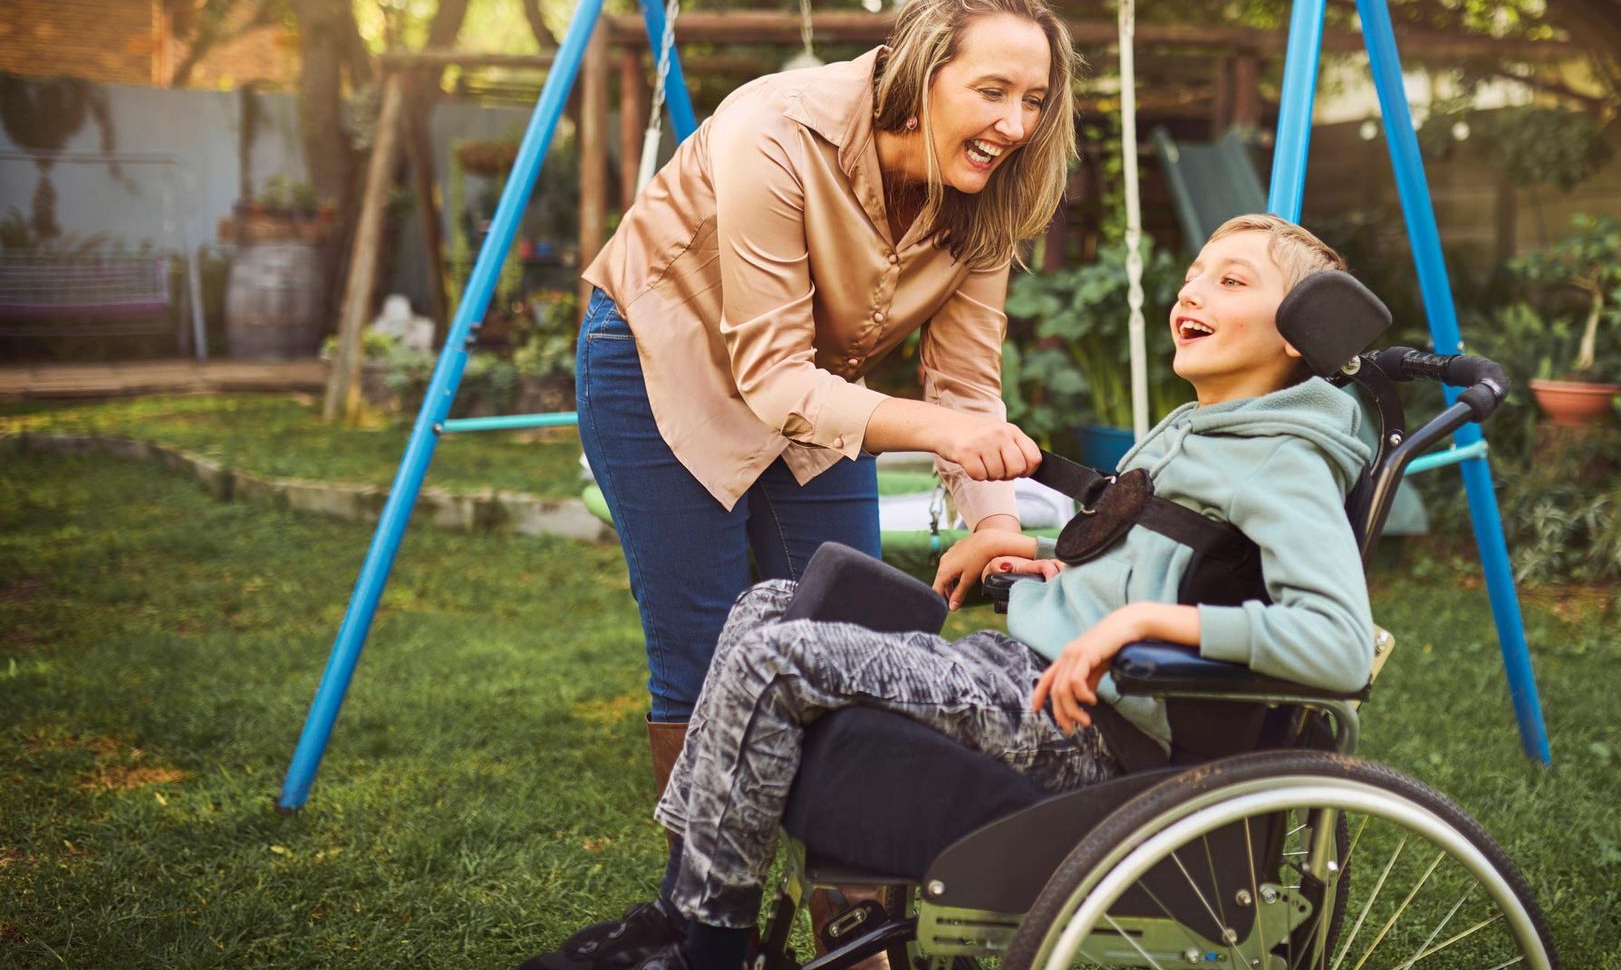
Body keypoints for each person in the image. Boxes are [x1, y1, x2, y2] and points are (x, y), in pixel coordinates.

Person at [520, 214, 1378, 970]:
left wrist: (1139, 620)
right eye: (1193, 275)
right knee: (768, 603)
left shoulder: (1287, 456)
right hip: (1030, 668)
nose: (1192, 291)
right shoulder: (1211, 426)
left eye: (1231, 282)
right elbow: (1186, 554)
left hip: (1083, 728)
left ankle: (700, 943)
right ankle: (686, 899)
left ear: (1304, 328)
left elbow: (1339, 644)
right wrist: (1056, 564)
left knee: (778, 656)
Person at [562, 0, 1075, 966]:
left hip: (815, 386)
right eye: (994, 92)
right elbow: (765, 373)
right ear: (926, 72)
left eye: (1037, 100)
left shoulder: (987, 197)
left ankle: (854, 924)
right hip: (659, 363)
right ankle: (708, 919)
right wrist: (932, 429)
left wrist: (994, 524)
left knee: (852, 632)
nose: (1017, 123)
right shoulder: (775, 128)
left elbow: (964, 386)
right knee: (709, 649)